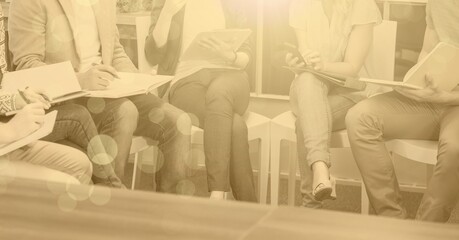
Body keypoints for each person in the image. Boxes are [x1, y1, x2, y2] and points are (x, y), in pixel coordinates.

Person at [8, 0, 191, 193]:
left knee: (179, 121)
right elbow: (26, 65)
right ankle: (110, 206)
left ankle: (171, 211)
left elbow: (115, 52)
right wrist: (80, 80)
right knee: (124, 112)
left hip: (109, 90)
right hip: (66, 97)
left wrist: (139, 83)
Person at [346, 0, 459, 222]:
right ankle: (394, 223)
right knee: (360, 118)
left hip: (454, 103)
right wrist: (416, 82)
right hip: (433, 98)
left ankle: (427, 230)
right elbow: (429, 50)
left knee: (455, 149)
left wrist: (448, 97)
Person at [145, 0, 256, 201]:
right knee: (235, 125)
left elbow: (247, 54)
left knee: (219, 91)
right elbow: (153, 55)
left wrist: (229, 55)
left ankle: (217, 193)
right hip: (187, 81)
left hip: (230, 76)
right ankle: (247, 207)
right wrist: (167, 12)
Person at [286, 0, 381, 206]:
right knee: (308, 82)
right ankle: (321, 170)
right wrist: (296, 63)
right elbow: (304, 56)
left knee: (308, 118)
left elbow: (353, 67)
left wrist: (324, 65)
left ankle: (312, 201)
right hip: (306, 88)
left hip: (348, 92)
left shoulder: (363, 6)